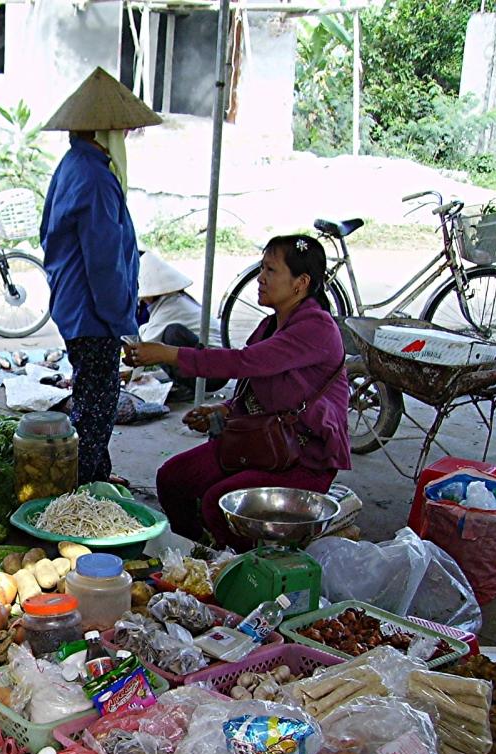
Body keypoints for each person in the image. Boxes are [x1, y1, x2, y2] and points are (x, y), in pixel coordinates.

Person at [124, 235, 350, 547]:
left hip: (302, 455)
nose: (260, 278)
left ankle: (242, 568)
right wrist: (225, 410)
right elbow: (257, 385)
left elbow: (244, 362)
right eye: (262, 268)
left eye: (270, 271)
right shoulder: (270, 325)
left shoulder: (316, 328)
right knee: (173, 478)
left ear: (301, 283)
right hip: (261, 441)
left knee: (221, 505)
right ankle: (197, 553)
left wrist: (169, 354)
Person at [40, 67, 161, 485]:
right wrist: (121, 321)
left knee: (91, 397)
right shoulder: (95, 178)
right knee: (97, 404)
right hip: (93, 313)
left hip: (75, 306)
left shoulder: (74, 164)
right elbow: (104, 263)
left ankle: (95, 474)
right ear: (107, 131)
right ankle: (84, 486)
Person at [136, 250, 205, 401]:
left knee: (171, 334)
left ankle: (187, 386)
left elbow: (144, 344)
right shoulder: (174, 300)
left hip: (212, 371)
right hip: (209, 363)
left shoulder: (171, 306)